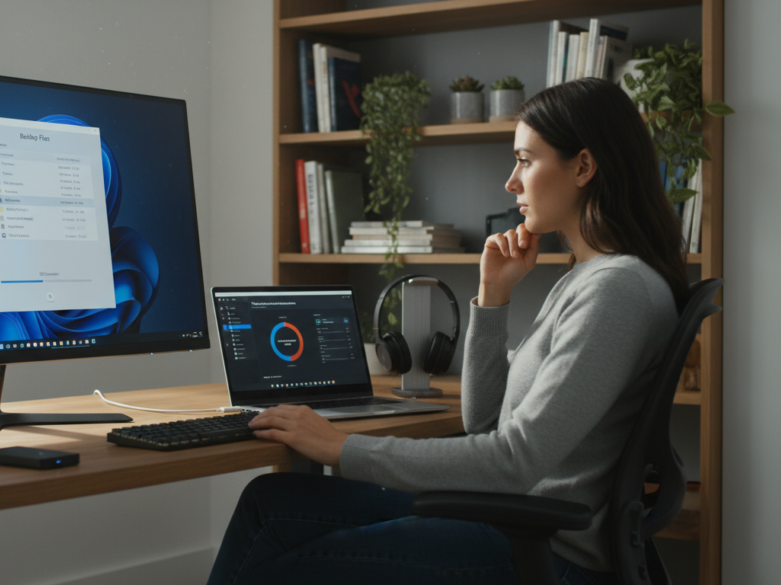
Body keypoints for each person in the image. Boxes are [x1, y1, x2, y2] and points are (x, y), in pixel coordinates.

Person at [207, 77, 689, 585]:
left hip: (544, 549)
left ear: (584, 167)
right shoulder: (591, 278)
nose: (511, 181)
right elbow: (484, 423)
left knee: (281, 569)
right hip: (512, 520)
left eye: (526, 160)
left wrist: (340, 448)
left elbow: (513, 460)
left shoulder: (616, 290)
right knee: (269, 501)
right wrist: (493, 295)